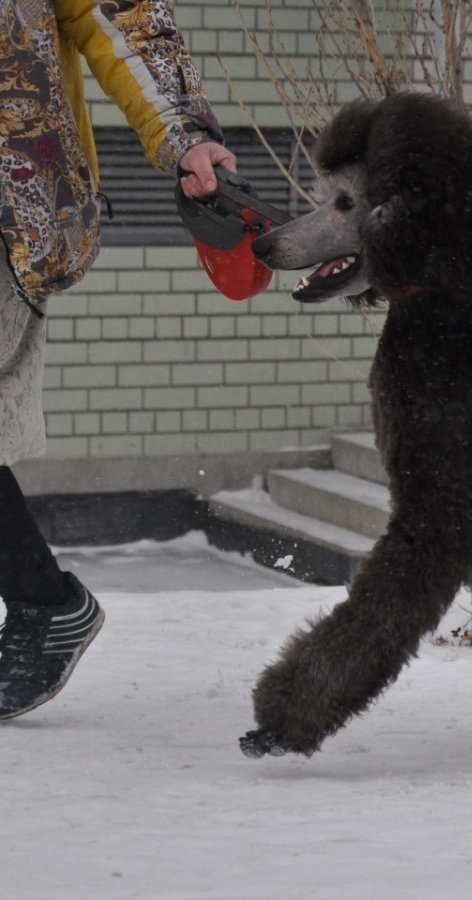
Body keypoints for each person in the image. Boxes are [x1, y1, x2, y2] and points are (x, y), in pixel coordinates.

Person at [0, 0, 237, 718]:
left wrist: (184, 131)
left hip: (12, 206)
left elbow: (120, 16)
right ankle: (44, 606)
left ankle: (46, 607)